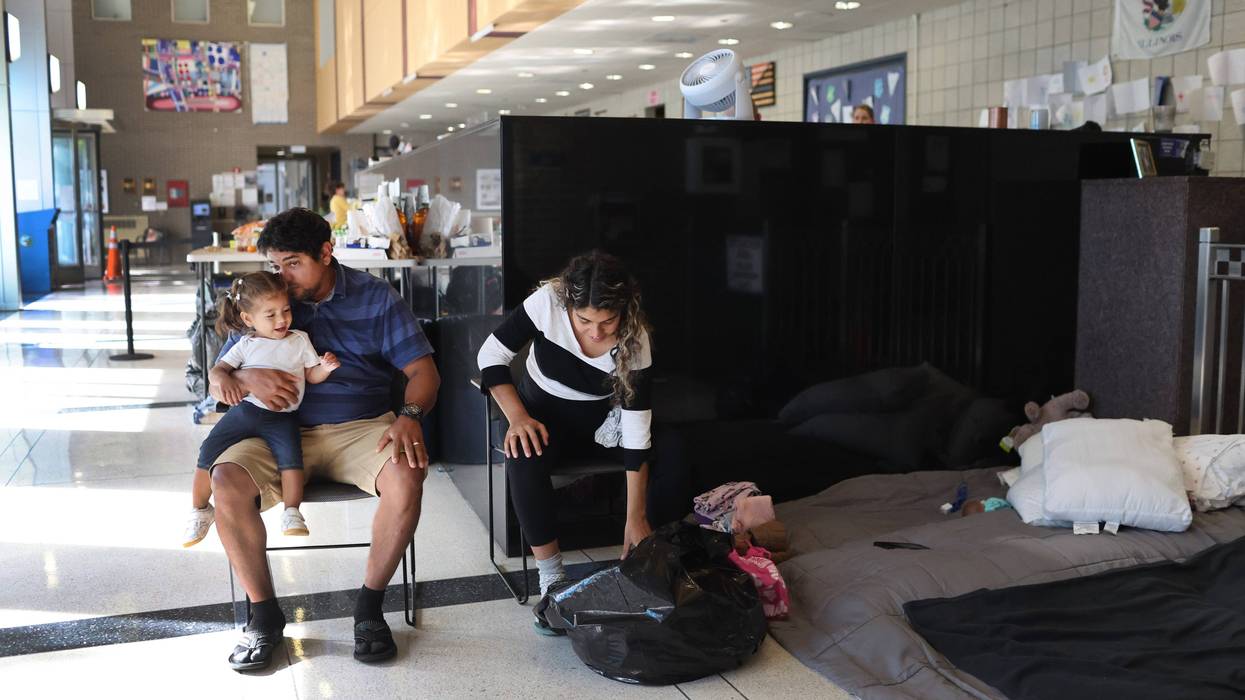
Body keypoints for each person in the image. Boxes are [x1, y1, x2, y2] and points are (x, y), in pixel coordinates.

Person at [208, 207, 439, 671]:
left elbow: (423, 372)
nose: (282, 277)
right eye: (276, 265)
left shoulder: (376, 298)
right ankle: (264, 617)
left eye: (293, 263)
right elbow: (219, 375)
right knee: (226, 481)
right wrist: (242, 376)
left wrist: (411, 415)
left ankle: (370, 610)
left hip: (361, 426)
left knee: (408, 473)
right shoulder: (260, 300)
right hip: (275, 428)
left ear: (326, 253)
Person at [478, 251, 666, 611]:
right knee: (523, 454)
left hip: (601, 425)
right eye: (583, 320)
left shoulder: (635, 337)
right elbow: (490, 356)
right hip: (541, 417)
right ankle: (552, 576)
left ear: (623, 312)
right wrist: (517, 417)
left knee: (671, 450)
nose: (595, 332)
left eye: (607, 322)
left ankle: (646, 554)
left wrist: (635, 517)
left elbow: (637, 430)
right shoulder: (547, 301)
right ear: (568, 305)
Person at [182, 272, 340, 548]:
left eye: (286, 311)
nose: (282, 320)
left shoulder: (299, 340)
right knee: (208, 452)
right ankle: (200, 509)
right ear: (248, 319)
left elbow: (311, 375)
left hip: (283, 417)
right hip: (246, 412)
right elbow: (220, 370)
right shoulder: (246, 344)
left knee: (291, 462)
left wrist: (324, 369)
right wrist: (227, 379)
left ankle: (292, 512)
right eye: (271, 315)